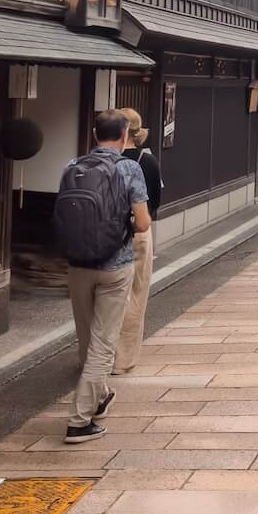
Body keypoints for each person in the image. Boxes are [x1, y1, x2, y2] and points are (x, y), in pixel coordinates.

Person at [54, 110, 150, 443]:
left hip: (77, 264)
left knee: (86, 338)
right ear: (125, 136)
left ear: (95, 134)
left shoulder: (71, 166)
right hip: (114, 266)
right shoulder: (129, 168)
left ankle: (100, 395)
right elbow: (142, 223)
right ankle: (79, 420)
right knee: (103, 345)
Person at [113, 107, 162, 374]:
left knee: (106, 298)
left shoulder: (102, 160)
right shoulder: (147, 161)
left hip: (105, 233)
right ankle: (122, 361)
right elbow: (154, 202)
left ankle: (99, 356)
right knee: (135, 295)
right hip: (138, 230)